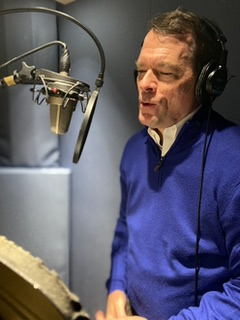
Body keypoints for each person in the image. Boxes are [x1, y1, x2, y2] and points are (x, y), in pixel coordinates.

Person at [96, 8, 240, 320]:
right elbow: (125, 232)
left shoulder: (234, 161)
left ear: (206, 83)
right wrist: (117, 288)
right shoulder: (134, 150)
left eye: (165, 73)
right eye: (140, 71)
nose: (145, 84)